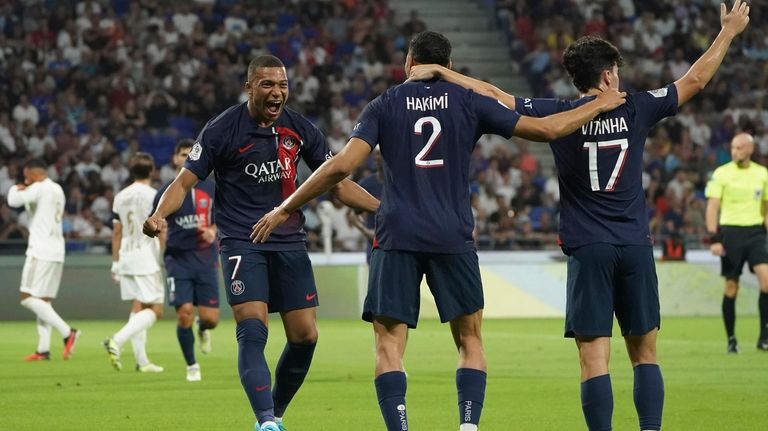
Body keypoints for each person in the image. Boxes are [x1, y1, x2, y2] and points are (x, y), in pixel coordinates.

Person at [251, 31, 626, 431]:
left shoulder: (385, 104)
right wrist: (599, 104)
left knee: (389, 344)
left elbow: (342, 167)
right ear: (448, 67)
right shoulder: (469, 100)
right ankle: (468, 426)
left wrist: (285, 205)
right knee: (470, 340)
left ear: (409, 63)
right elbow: (547, 130)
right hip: (453, 234)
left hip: (397, 235)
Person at [406, 2, 750, 430]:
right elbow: (695, 79)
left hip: (589, 249)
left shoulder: (555, 113)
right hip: (635, 245)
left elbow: (494, 94)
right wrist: (729, 32)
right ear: (607, 75)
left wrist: (444, 73)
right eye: (616, 72)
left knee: (593, 358)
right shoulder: (636, 107)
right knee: (645, 354)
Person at [142, 55, 379, 431]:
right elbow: (184, 182)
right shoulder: (222, 129)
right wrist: (159, 215)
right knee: (253, 328)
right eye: (267, 84)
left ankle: (276, 413)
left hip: (289, 241)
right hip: (242, 241)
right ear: (249, 86)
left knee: (305, 336)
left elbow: (336, 182)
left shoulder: (299, 128)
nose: (277, 92)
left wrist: (383, 210)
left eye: (282, 85)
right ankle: (266, 420)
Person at [154, 139, 220, 381]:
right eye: (182, 154)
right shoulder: (165, 193)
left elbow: (223, 217)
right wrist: (160, 250)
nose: (186, 158)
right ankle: (192, 366)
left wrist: (213, 230)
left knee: (211, 319)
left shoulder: (212, 188)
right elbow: (159, 225)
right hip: (178, 260)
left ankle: (203, 329)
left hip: (205, 258)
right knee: (184, 314)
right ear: (175, 159)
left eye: (190, 154)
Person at [7, 158, 80, 361]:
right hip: (56, 249)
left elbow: (13, 201)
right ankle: (43, 349)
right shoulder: (57, 189)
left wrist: (16, 188)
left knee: (27, 297)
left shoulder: (39, 187)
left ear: (34, 172)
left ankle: (68, 332)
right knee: (43, 301)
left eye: (26, 174)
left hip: (40, 250)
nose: (24, 178)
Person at [705, 133, 768, 353]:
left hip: (756, 232)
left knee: (767, 282)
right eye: (733, 147)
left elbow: (766, 208)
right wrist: (714, 238)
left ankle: (764, 337)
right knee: (732, 287)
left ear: (750, 149)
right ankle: (731, 339)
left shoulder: (762, 173)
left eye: (740, 147)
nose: (735, 151)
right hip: (730, 233)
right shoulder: (722, 173)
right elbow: (712, 206)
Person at [104, 152, 164, 373]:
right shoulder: (155, 195)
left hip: (126, 255)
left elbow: (117, 232)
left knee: (139, 306)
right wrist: (164, 254)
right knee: (156, 310)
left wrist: (115, 262)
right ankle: (116, 341)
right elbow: (161, 227)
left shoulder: (120, 196)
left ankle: (142, 361)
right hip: (146, 256)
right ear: (152, 171)